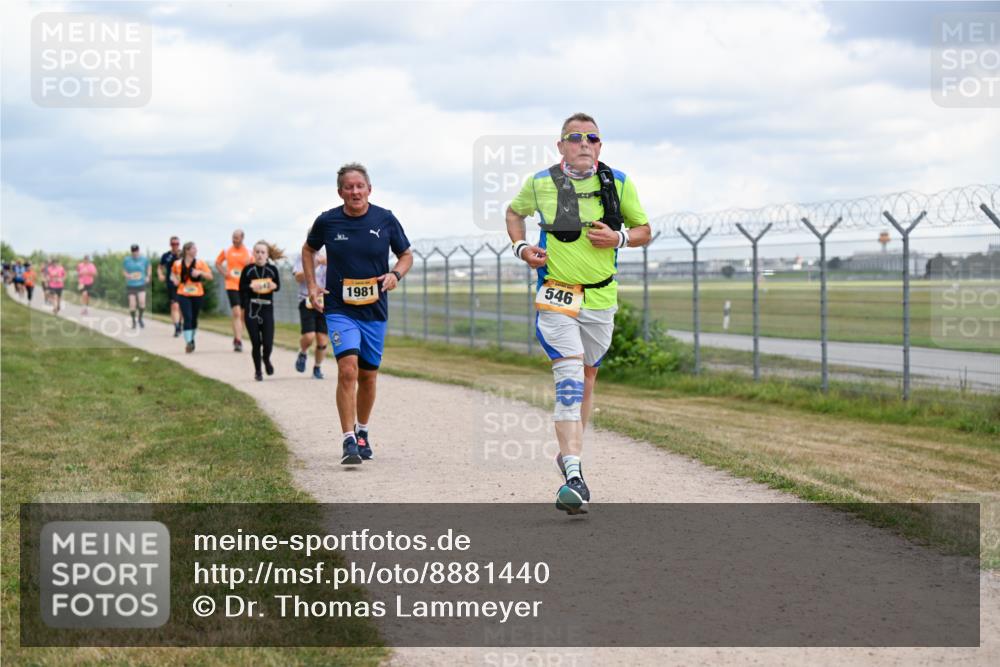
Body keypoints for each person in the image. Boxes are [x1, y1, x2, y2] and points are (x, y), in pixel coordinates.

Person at [506, 112, 651, 515]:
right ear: (561, 145)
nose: (584, 143)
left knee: (587, 378)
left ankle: (570, 456)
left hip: (601, 299)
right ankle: (574, 474)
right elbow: (513, 213)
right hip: (556, 296)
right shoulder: (541, 183)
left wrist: (619, 236)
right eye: (575, 137)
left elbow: (644, 230)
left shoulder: (618, 183)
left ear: (600, 146)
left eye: (592, 138)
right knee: (568, 376)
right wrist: (521, 248)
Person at [302, 162, 413, 465]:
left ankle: (362, 431)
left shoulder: (385, 219)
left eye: (359, 186)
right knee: (348, 368)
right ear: (340, 192)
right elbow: (308, 250)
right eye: (348, 187)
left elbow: (406, 255)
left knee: (368, 375)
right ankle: (347, 439)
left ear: (369, 189)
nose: (354, 191)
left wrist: (395, 275)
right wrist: (313, 286)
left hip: (375, 310)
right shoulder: (328, 222)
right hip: (339, 308)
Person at [240, 241, 283, 381]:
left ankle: (266, 358)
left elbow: (278, 287)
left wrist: (273, 285)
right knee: (256, 343)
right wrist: (251, 287)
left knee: (268, 342)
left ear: (267, 255)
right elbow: (241, 288)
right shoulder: (248, 270)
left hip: (267, 308)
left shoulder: (272, 270)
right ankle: (258, 371)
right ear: (253, 253)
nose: (259, 255)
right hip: (252, 309)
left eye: (262, 252)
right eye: (257, 252)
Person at [293, 246, 329, 379]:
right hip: (306, 299)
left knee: (322, 339)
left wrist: (328, 263)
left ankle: (317, 367)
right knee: (309, 336)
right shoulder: (302, 254)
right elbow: (298, 277)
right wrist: (316, 263)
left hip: (324, 301)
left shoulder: (328, 254)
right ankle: (303, 352)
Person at [171, 242, 213, 353]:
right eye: (194, 248)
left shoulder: (200, 263)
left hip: (197, 293)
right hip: (183, 293)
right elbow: (173, 274)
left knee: (194, 319)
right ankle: (188, 342)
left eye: (196, 248)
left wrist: (200, 272)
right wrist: (175, 279)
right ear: (187, 250)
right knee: (187, 317)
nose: (196, 250)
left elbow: (210, 276)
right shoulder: (177, 263)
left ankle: (191, 339)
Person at [215, 229, 252, 352]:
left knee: (242, 316)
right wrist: (224, 273)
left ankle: (238, 336)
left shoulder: (249, 252)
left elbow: (253, 268)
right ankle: (238, 341)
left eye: (236, 237)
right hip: (231, 285)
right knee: (236, 312)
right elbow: (218, 263)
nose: (234, 239)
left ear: (242, 238)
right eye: (233, 237)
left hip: (244, 286)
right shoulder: (227, 250)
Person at [158, 236, 184, 337]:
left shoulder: (183, 254)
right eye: (173, 244)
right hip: (171, 283)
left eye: (177, 244)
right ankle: (177, 327)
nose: (175, 246)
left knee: (181, 306)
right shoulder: (166, 255)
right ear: (170, 244)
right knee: (174, 305)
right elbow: (160, 267)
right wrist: (160, 274)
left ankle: (180, 324)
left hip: (182, 284)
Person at [122, 244, 151, 329]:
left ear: (139, 251)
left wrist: (148, 276)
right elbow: (124, 270)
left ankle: (140, 318)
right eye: (133, 251)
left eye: (136, 251)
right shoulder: (127, 260)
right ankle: (133, 321)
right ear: (131, 251)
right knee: (132, 304)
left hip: (141, 283)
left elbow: (149, 267)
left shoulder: (144, 259)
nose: (135, 253)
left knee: (142, 303)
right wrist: (127, 275)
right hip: (131, 284)